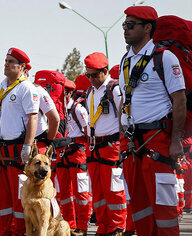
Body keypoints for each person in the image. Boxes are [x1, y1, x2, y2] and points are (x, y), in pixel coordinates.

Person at [119, 6, 186, 235]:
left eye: (131, 25)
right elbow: (125, 99)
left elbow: (179, 100)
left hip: (156, 140)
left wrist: (176, 140)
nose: (125, 29)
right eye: (124, 25)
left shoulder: (165, 58)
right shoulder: (125, 60)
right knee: (139, 208)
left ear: (148, 28)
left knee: (164, 209)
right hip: (131, 144)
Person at [0, 48, 39, 236]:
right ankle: (4, 231)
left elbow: (33, 118)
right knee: (1, 197)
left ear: (22, 67)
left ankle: (20, 232)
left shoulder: (27, 88)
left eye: (11, 61)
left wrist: (27, 146)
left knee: (19, 197)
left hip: (16, 150)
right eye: (5, 60)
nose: (6, 64)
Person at [85, 52, 126, 236]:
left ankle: (117, 226)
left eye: (94, 75)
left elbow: (124, 116)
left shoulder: (114, 89)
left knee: (113, 189)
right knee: (99, 191)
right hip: (94, 146)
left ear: (105, 71)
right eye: (88, 75)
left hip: (111, 145)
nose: (91, 79)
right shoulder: (90, 92)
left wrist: (122, 143)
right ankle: (103, 225)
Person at [58, 76, 92, 236]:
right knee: (64, 192)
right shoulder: (59, 110)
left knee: (81, 191)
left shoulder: (78, 109)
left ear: (70, 92)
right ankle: (70, 225)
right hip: (63, 153)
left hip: (77, 153)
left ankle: (82, 226)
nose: (60, 94)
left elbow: (88, 131)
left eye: (63, 92)